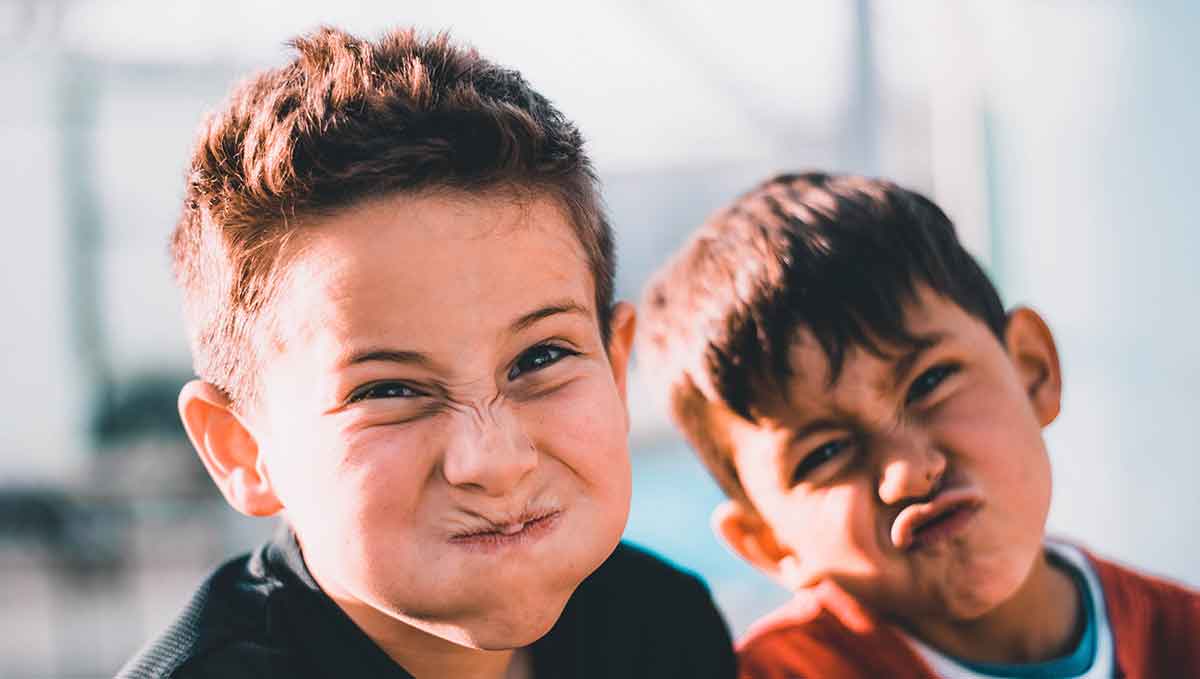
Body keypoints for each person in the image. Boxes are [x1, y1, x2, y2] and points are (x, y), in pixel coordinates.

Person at [117, 27, 735, 679]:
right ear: (240, 448)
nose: (492, 462)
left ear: (615, 366)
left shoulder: (662, 629)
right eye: (390, 390)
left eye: (539, 358)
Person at [637, 172, 1200, 679]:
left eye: (929, 384)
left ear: (1032, 370)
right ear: (767, 542)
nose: (906, 474)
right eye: (826, 452)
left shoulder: (1182, 640)